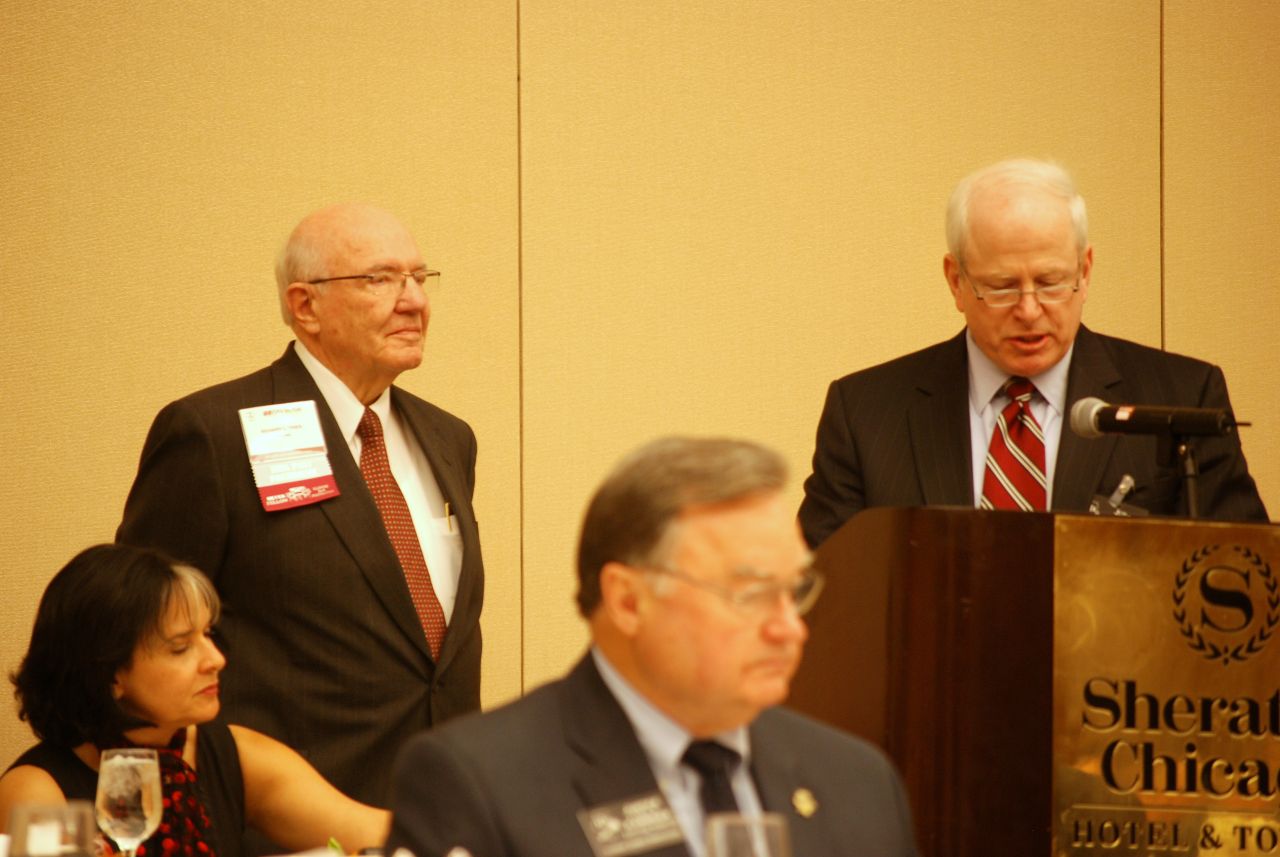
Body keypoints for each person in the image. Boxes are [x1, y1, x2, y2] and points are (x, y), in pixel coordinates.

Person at [384, 437, 918, 857]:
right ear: (629, 601)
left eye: (795, 591)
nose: (790, 629)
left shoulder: (858, 779)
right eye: (752, 594)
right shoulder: (480, 785)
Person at [116, 203, 485, 807]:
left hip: (440, 811)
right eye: (380, 278)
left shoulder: (449, 438)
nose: (414, 300)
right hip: (280, 819)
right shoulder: (214, 434)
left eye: (420, 278)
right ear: (304, 305)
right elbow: (139, 637)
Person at [798, 158, 1268, 547]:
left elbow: (1244, 581)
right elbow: (823, 596)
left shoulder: (1183, 397)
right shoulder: (865, 413)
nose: (1029, 309)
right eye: (1001, 288)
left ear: (1085, 270)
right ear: (956, 281)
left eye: (1050, 282)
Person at [0, 544, 389, 857]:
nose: (216, 660)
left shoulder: (225, 752)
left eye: (208, 635)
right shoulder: (39, 793)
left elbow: (381, 833)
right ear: (110, 673)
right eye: (181, 647)